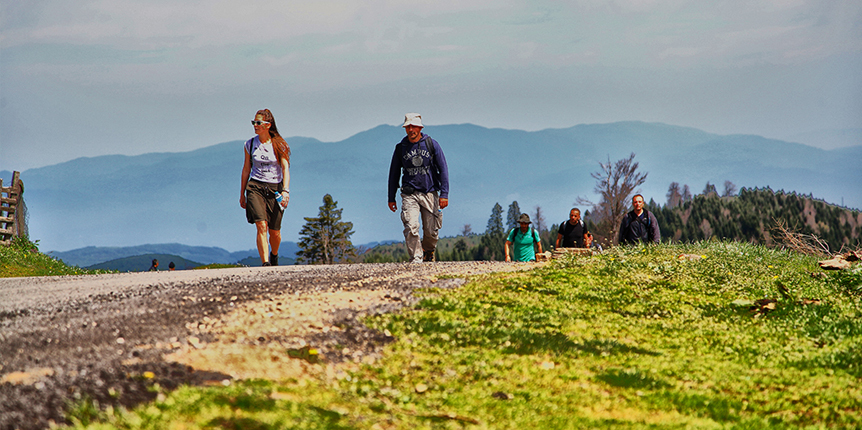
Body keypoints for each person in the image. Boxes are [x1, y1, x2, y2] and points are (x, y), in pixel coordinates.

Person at [388, 113, 449, 263]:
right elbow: (394, 173)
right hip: (409, 194)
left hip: (430, 192)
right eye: (408, 127)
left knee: (431, 231)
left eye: (413, 126)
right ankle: (416, 258)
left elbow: (443, 169)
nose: (411, 130)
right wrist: (391, 197)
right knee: (411, 225)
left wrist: (444, 194)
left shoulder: (432, 144)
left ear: (420, 127)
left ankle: (428, 251)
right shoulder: (401, 148)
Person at [240, 109, 291, 266]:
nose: (255, 125)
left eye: (258, 123)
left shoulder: (279, 145)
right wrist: (242, 194)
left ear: (268, 125)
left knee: (275, 231)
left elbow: (285, 168)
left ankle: (274, 255)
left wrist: (286, 191)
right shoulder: (250, 144)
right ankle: (266, 263)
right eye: (253, 122)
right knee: (261, 225)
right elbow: (246, 169)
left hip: (275, 188)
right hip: (255, 186)